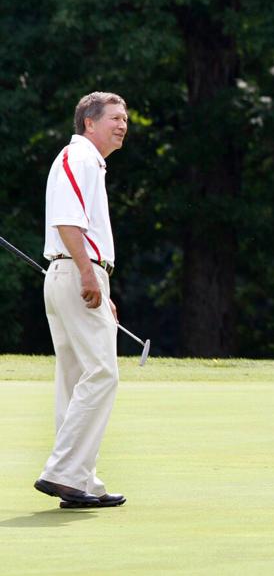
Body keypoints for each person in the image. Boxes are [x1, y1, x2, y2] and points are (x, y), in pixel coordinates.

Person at [34, 92, 129, 509]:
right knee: (102, 373)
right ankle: (64, 472)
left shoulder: (88, 161)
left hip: (73, 273)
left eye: (125, 119)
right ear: (89, 123)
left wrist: (98, 281)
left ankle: (80, 478)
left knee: (75, 379)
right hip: (76, 272)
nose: (123, 125)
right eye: (114, 118)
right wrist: (90, 275)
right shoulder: (80, 157)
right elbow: (67, 221)